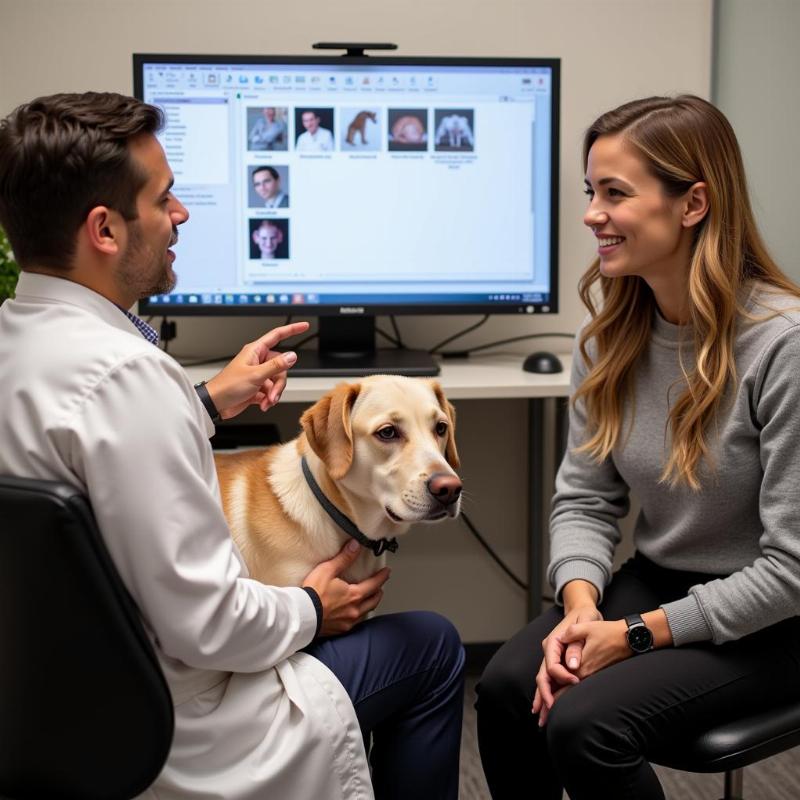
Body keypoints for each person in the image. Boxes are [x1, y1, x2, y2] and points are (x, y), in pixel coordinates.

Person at [0, 92, 465, 800]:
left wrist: (209, 402)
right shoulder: (130, 375)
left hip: (44, 703)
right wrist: (315, 607)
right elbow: (211, 626)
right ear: (104, 230)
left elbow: (85, 448)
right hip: (171, 725)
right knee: (432, 645)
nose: (181, 216)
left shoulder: (21, 341)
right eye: (164, 200)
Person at [476, 94, 800, 799]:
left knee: (585, 724)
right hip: (659, 580)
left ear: (692, 205)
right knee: (506, 690)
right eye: (591, 191)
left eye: (614, 193)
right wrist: (584, 606)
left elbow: (792, 571)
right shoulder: (609, 341)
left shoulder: (784, 344)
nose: (592, 213)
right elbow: (586, 500)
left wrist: (638, 635)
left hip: (779, 621)